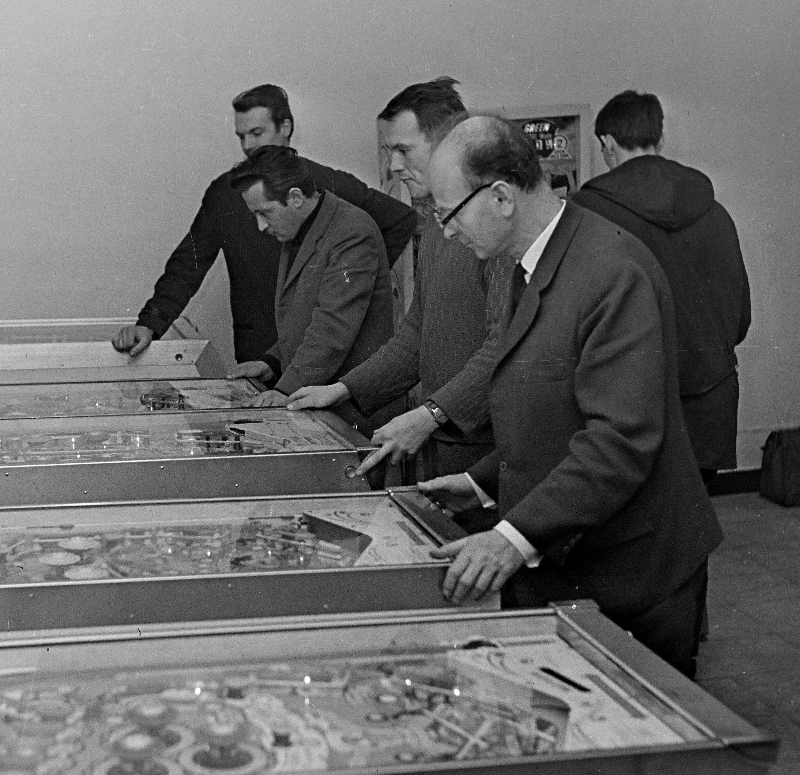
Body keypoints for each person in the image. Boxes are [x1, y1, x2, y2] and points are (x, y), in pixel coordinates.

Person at [421, 115, 723, 678]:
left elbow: (619, 440)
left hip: (635, 573)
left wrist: (510, 540)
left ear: (502, 197)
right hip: (582, 554)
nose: (446, 232)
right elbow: (554, 410)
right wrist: (481, 481)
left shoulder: (611, 269)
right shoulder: (530, 263)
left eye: (448, 213)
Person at [287, 78, 513, 486]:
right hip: (444, 442)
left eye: (403, 150)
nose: (392, 166)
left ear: (449, 143)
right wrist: (341, 389)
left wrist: (432, 414)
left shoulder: (492, 228)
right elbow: (415, 336)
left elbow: (504, 346)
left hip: (489, 454)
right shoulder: (435, 225)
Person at [113, 85, 417, 363]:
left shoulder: (324, 181)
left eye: (257, 133)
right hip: (257, 351)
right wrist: (149, 323)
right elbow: (188, 264)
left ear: (285, 128)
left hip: (324, 352)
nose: (248, 145)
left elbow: (400, 220)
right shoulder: (224, 194)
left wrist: (354, 281)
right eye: (241, 136)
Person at [572, 90, 751, 481]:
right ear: (661, 139)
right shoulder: (715, 212)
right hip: (710, 398)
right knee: (696, 511)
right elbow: (740, 320)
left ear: (607, 143)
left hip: (628, 405)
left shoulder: (587, 213)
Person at [224, 145, 393, 413]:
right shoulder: (302, 227)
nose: (261, 226)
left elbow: (332, 328)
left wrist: (285, 390)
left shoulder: (352, 232)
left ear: (295, 197)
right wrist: (272, 362)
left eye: (264, 212)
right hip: (320, 401)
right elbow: (303, 318)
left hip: (354, 412)